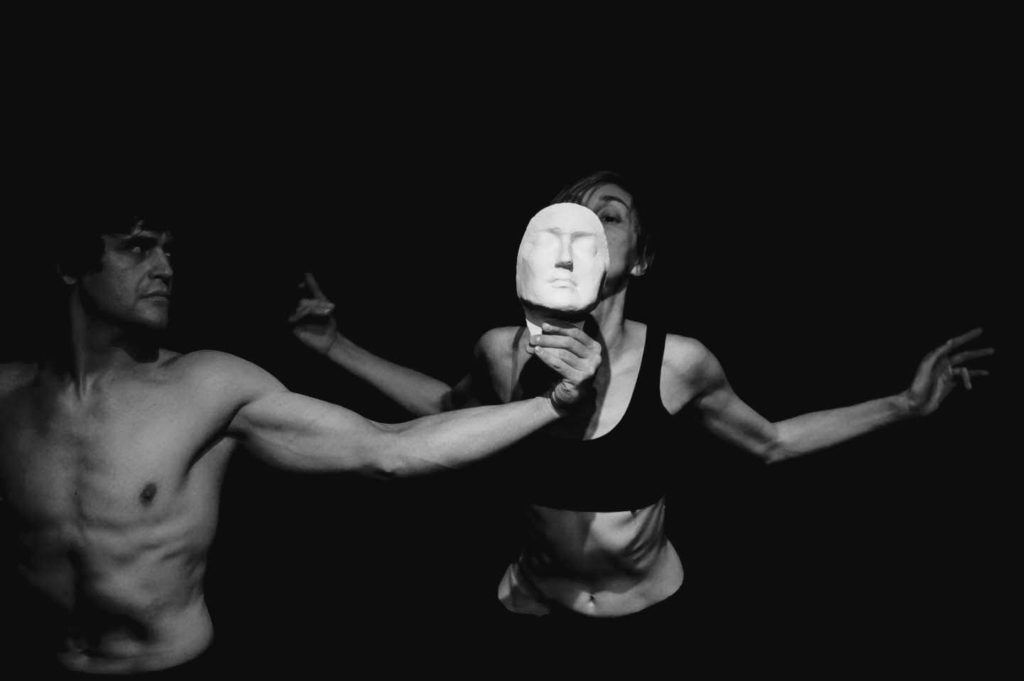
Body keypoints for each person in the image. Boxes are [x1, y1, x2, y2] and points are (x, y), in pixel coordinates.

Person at [289, 171, 993, 652]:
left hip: (649, 612)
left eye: (610, 214)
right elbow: (446, 407)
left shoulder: (681, 362)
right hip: (530, 604)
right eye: (571, 212)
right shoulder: (504, 351)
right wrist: (336, 347)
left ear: (642, 256)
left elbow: (773, 441)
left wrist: (903, 405)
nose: (586, 224)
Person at [0, 216, 600, 676]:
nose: (164, 267)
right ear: (70, 264)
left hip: (171, 667)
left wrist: (550, 404)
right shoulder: (7, 395)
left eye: (168, 250)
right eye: (136, 247)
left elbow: (388, 450)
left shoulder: (205, 385)